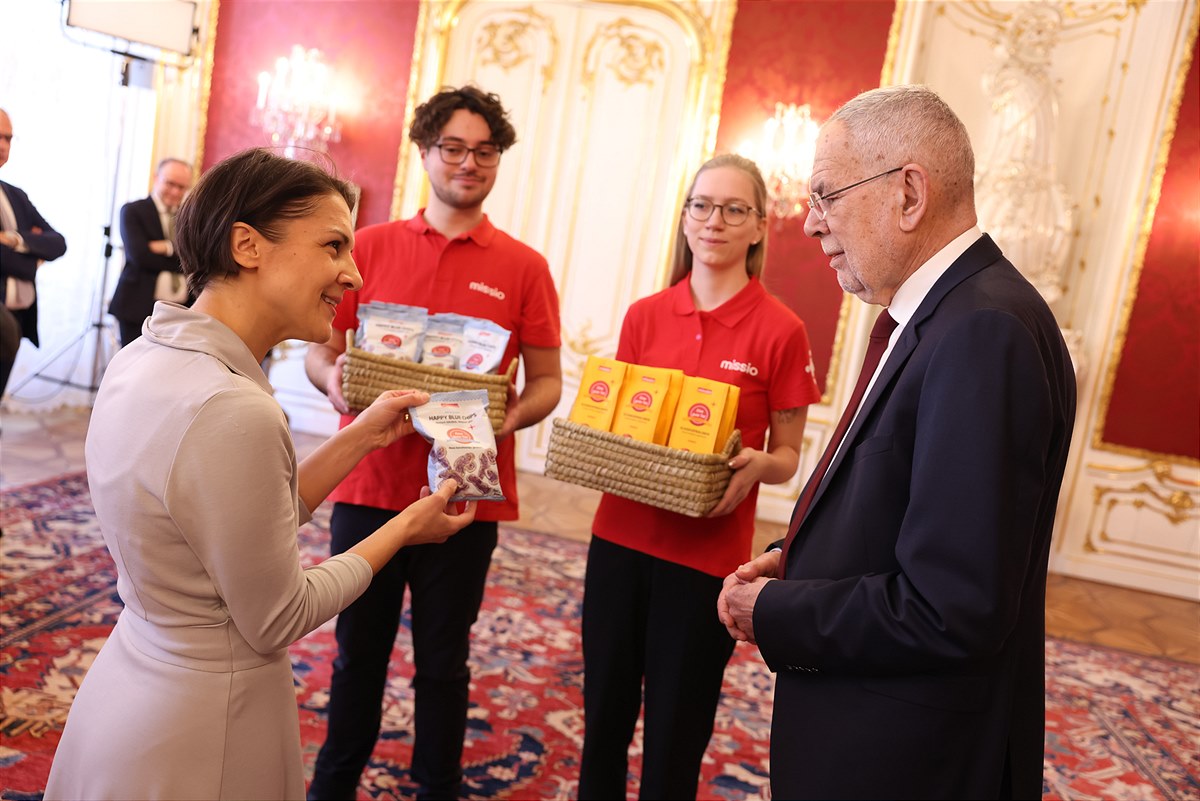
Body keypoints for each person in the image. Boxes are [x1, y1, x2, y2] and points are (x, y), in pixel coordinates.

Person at [43, 148, 477, 801]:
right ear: (248, 245)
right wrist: (402, 529)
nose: (353, 274)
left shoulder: (143, 356)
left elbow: (232, 517)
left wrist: (362, 435)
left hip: (132, 679)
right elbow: (278, 615)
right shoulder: (235, 407)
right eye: (333, 245)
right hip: (207, 718)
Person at [717, 85, 1077, 799]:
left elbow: (952, 606)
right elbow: (921, 513)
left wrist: (778, 612)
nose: (813, 225)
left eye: (826, 195)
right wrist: (801, 562)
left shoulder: (982, 332)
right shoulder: (952, 313)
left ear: (908, 193)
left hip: (907, 759)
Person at [304, 85, 562, 800]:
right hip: (367, 486)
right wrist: (332, 379)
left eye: (484, 150)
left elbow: (545, 382)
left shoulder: (524, 266)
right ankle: (333, 784)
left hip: (463, 494)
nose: (468, 162)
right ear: (424, 153)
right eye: (453, 147)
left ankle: (438, 786)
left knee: (444, 660)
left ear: (498, 161)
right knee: (357, 654)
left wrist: (507, 418)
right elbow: (322, 351)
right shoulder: (368, 246)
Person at [578, 154, 822, 800]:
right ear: (684, 218)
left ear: (760, 227)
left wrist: (758, 464)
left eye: (733, 208)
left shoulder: (782, 330)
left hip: (706, 561)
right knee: (602, 718)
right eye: (701, 205)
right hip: (619, 542)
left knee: (676, 736)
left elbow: (789, 454)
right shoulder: (644, 315)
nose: (714, 220)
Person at [0, 107, 67, 397]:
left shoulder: (16, 195)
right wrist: (32, 260)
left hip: (17, 317)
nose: (4, 145)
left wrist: (14, 240)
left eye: (9, 138)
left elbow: (58, 242)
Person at [108, 157, 195, 347]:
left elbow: (197, 260)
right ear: (156, 178)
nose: (175, 192)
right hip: (137, 306)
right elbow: (140, 257)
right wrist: (181, 257)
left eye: (182, 187)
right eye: (170, 183)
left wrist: (167, 247)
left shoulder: (189, 218)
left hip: (180, 311)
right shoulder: (133, 211)